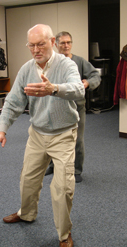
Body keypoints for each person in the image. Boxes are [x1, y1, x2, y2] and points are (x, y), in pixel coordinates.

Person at [0, 24, 84, 247]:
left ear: (52, 42)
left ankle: (64, 234)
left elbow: (78, 89)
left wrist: (54, 89)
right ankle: (26, 213)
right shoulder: (26, 69)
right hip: (38, 135)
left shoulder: (66, 64)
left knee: (62, 188)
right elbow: (13, 102)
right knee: (28, 180)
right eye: (31, 45)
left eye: (41, 44)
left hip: (63, 135)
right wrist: (1, 130)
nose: (35, 49)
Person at [45, 31, 101, 183]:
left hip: (76, 107)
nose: (66, 45)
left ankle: (76, 170)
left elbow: (95, 75)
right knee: (52, 138)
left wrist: (88, 83)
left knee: (77, 139)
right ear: (55, 44)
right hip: (55, 107)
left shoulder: (80, 62)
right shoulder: (51, 62)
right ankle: (52, 165)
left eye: (68, 42)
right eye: (62, 43)